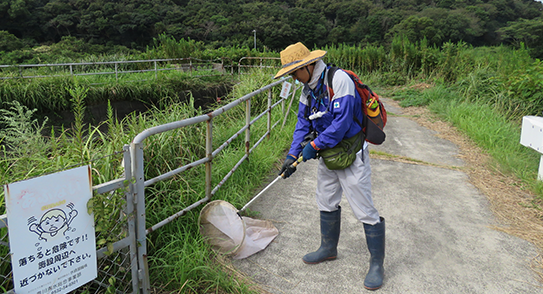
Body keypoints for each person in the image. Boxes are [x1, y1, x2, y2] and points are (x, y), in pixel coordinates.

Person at [274, 42, 386, 290]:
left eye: (294, 72)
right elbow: (302, 125)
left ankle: (377, 264)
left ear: (308, 65)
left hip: (351, 152)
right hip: (328, 153)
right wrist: (292, 156)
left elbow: (342, 124)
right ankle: (328, 248)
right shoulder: (307, 90)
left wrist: (313, 147)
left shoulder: (339, 81)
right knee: (325, 199)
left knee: (364, 208)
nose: (293, 78)